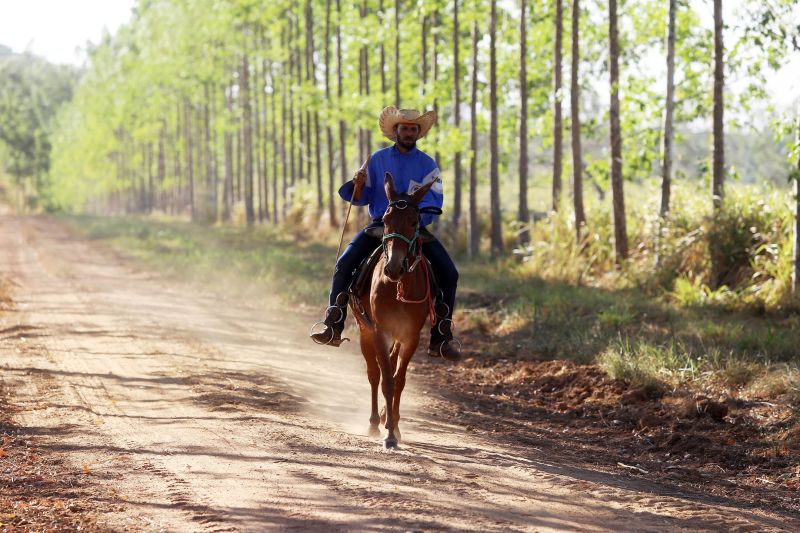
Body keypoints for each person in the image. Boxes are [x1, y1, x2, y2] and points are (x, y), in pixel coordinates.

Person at [310, 106, 461, 361]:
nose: (409, 132)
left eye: (414, 129)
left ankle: (441, 335)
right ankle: (334, 320)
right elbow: (361, 196)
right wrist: (357, 185)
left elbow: (435, 201)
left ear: (418, 133)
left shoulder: (428, 164)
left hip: (414, 229)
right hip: (380, 225)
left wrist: (412, 221)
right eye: (405, 128)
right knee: (345, 263)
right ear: (396, 130)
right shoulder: (377, 159)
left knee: (449, 272)